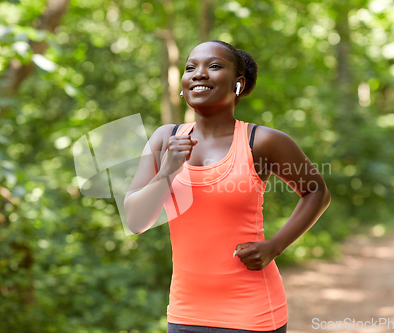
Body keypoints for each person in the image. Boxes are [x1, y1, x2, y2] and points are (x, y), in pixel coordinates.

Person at [123, 40, 331, 333]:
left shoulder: (262, 142)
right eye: (190, 67)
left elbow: (317, 192)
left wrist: (275, 246)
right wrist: (167, 171)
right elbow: (135, 221)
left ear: (238, 84)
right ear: (183, 84)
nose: (199, 73)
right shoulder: (164, 139)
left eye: (215, 66)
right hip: (184, 314)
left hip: (252, 313)